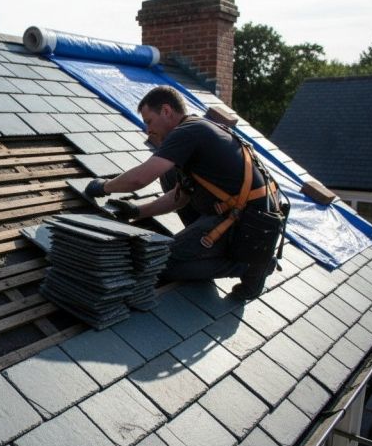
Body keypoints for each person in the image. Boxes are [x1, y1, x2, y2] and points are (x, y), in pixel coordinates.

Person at [85, 85, 284, 300]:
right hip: (241, 211)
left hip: (248, 224)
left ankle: (247, 266)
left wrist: (104, 186)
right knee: (169, 173)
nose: (147, 130)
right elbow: (180, 197)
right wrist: (137, 211)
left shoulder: (187, 132)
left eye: (149, 121)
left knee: (163, 263)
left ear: (166, 111)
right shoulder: (197, 128)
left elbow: (139, 178)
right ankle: (204, 244)